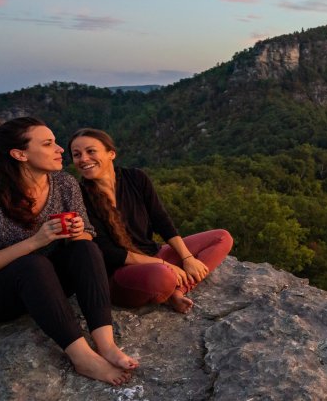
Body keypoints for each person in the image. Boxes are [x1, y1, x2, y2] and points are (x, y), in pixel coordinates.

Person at [0, 116, 137, 386]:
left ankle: (105, 344)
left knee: (86, 249)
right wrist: (35, 241)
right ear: (20, 154)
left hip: (41, 288)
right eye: (48, 144)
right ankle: (82, 358)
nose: (60, 150)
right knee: (32, 264)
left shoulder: (64, 184)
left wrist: (79, 230)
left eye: (56, 142)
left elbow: (86, 235)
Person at [69, 128, 232, 314]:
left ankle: (178, 291)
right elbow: (107, 252)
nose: (83, 159)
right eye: (77, 155)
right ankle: (169, 286)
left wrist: (187, 258)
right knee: (163, 276)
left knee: (222, 237)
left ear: (111, 153)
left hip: (154, 253)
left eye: (91, 151)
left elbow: (160, 220)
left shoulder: (136, 178)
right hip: (121, 274)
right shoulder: (79, 197)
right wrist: (165, 265)